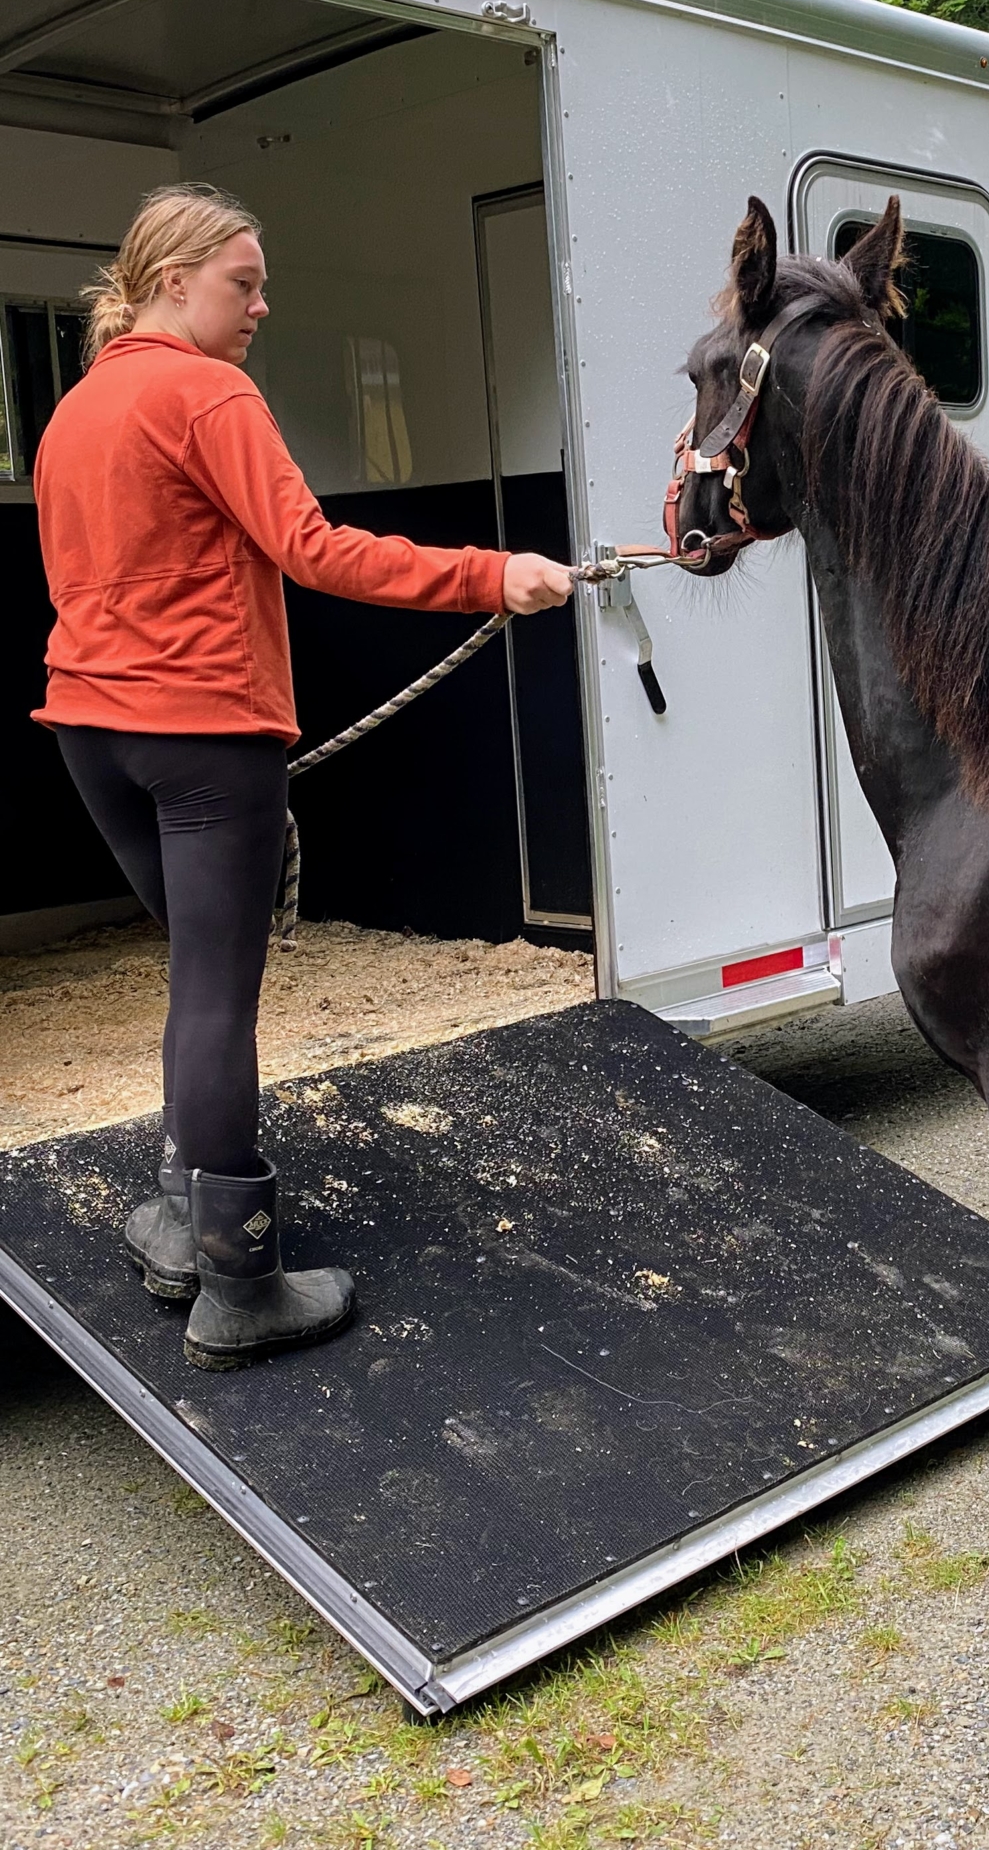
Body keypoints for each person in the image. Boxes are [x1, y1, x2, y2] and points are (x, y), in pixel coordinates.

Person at [33, 182, 574, 1373]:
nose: (262, 305)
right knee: (218, 991)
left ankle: (178, 1219)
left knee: (193, 978)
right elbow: (315, 550)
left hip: (90, 732)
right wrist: (496, 574)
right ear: (173, 280)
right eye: (244, 281)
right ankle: (241, 1283)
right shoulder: (206, 389)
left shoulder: (74, 412)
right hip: (204, 737)